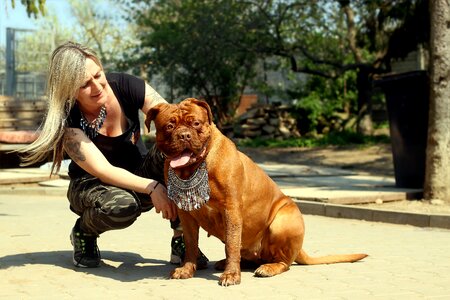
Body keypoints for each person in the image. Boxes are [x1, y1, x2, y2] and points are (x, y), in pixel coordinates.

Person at [18, 41, 208, 268]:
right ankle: (84, 233)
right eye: (84, 85)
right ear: (68, 90)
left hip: (138, 171)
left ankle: (182, 238)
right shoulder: (68, 120)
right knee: (122, 207)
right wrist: (153, 187)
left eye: (98, 75)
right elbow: (103, 171)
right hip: (91, 185)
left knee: (174, 150)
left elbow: (171, 119)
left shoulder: (126, 85)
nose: (97, 87)